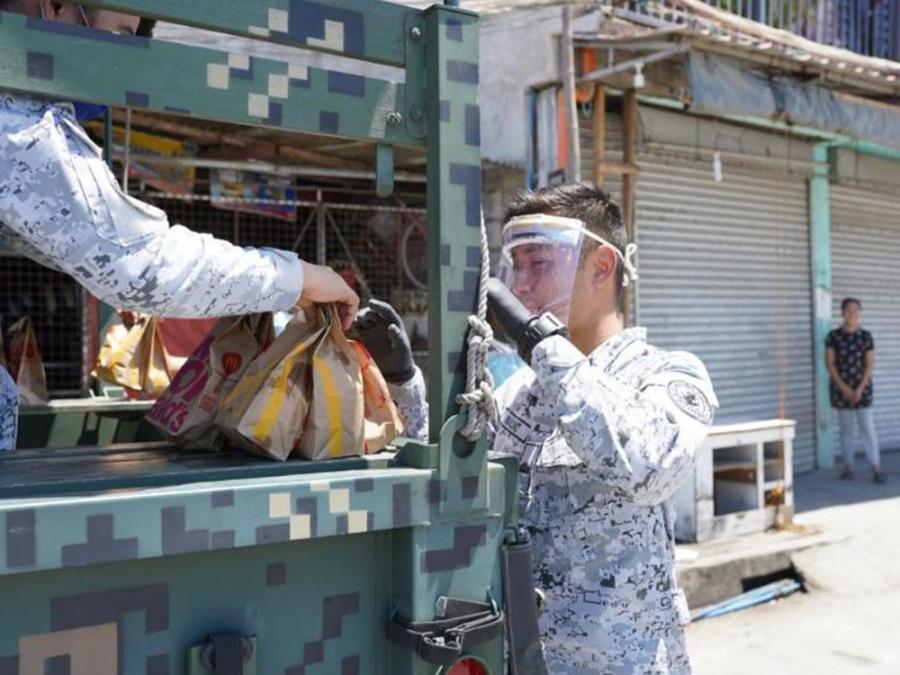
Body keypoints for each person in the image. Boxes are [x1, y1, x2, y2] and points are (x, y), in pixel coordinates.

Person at [353, 183, 717, 674]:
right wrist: (400, 382)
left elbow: (648, 467)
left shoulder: (667, 375)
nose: (519, 284)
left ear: (602, 267)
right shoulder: (523, 393)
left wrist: (539, 341)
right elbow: (451, 471)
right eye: (515, 265)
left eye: (539, 263)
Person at [0, 0, 359, 450]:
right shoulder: (21, 122)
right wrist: (301, 278)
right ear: (54, 7)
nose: (113, 65)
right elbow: (140, 263)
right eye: (117, 38)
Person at [825, 297, 885, 483]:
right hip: (840, 389)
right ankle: (848, 467)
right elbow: (830, 364)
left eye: (856, 310)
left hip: (863, 390)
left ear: (860, 313)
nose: (852, 314)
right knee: (846, 429)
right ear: (842, 313)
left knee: (868, 428)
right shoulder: (833, 336)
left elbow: (870, 365)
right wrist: (843, 388)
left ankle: (876, 468)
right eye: (849, 310)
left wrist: (859, 389)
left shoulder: (865, 336)